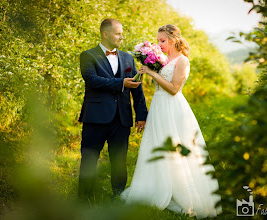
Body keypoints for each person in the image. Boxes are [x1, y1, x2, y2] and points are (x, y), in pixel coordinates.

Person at [121, 24, 221, 218]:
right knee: (155, 145)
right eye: (157, 40)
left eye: (163, 40)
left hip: (173, 108)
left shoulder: (182, 61)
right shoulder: (163, 60)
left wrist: (152, 73)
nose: (159, 44)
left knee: (175, 147)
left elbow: (174, 88)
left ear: (174, 40)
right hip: (158, 107)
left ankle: (180, 191)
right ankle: (154, 186)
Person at [78, 18, 148, 200]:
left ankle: (118, 196)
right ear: (105, 34)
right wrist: (120, 83)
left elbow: (137, 87)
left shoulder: (128, 58)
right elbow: (93, 81)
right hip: (95, 117)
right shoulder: (88, 56)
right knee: (89, 158)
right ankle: (85, 197)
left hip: (122, 118)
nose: (121, 37)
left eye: (121, 33)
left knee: (119, 160)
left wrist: (141, 115)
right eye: (118, 33)